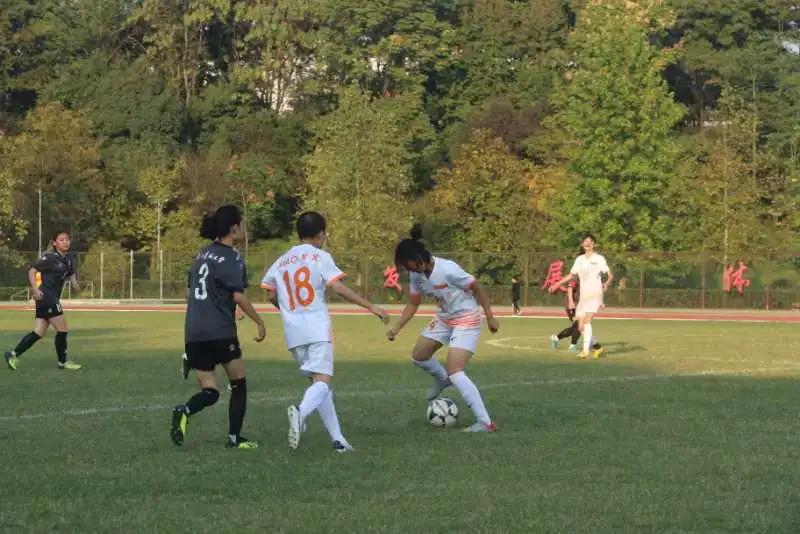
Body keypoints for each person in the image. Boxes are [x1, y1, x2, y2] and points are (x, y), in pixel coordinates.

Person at [261, 212, 389, 453]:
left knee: (318, 384)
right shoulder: (320, 256)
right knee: (322, 382)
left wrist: (288, 310)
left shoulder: (281, 261)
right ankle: (300, 413)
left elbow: (270, 293)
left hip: (293, 332)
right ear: (320, 235)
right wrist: (372, 307)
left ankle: (338, 440)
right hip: (317, 327)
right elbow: (336, 286)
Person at [170, 205, 266, 450]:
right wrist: (259, 321)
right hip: (221, 332)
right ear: (233, 228)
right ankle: (234, 439)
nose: (243, 228)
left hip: (193, 333)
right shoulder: (232, 257)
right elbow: (237, 295)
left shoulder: (201, 255)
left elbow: (191, 292)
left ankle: (185, 410)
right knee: (239, 385)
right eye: (242, 224)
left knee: (210, 392)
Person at [387, 228, 499, 433]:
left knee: (455, 370)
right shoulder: (416, 275)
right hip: (444, 318)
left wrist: (490, 316)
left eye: (406, 264)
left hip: (467, 318)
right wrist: (397, 327)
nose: (406, 270)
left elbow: (477, 288)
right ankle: (442, 378)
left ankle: (485, 423)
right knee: (419, 356)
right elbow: (413, 303)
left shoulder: (448, 269)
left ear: (417, 259)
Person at [4, 231, 82, 371]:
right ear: (55, 243)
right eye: (61, 240)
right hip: (46, 297)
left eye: (67, 239)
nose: (65, 242)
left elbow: (70, 273)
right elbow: (31, 271)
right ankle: (63, 362)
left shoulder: (69, 258)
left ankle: (12, 354)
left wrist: (75, 283)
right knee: (62, 329)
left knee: (39, 331)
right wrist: (35, 289)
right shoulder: (50, 258)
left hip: (48, 298)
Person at [549, 233, 613, 359]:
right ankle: (597, 347)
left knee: (588, 320)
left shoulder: (599, 259)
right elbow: (572, 275)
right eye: (585, 241)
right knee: (580, 326)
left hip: (595, 293)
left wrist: (606, 283)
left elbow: (610, 275)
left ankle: (585, 351)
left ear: (594, 244)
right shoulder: (579, 260)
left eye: (590, 241)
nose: (587, 243)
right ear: (582, 244)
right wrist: (557, 284)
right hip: (583, 296)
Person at [549, 278, 604, 353]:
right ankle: (574, 346)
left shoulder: (588, 278)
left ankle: (556, 338)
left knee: (576, 327)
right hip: (573, 306)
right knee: (579, 325)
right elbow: (570, 288)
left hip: (580, 306)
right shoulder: (577, 275)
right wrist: (571, 302)